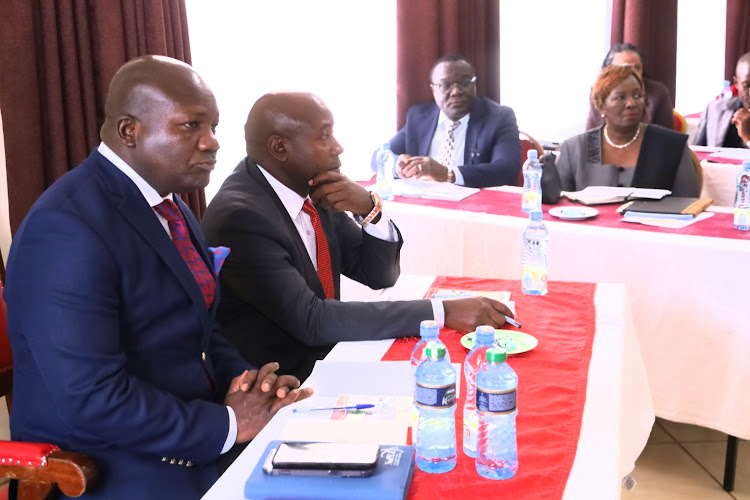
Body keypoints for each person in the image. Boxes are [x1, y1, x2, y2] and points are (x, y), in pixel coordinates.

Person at [3, 56, 311, 500]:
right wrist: (228, 424)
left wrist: (251, 386)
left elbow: (202, 329)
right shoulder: (67, 228)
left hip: (189, 430)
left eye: (214, 126)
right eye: (191, 126)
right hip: (104, 464)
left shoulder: (171, 206)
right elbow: (93, 401)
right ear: (131, 131)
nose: (212, 144)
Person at [201, 92, 514, 381]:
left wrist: (369, 208)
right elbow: (313, 321)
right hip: (279, 382)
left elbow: (378, 275)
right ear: (280, 148)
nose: (338, 147)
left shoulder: (312, 188)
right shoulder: (242, 218)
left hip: (328, 359)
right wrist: (441, 312)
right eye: (324, 136)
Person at [545, 64, 699, 197]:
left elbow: (688, 206)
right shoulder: (575, 149)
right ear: (601, 106)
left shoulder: (671, 146)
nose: (631, 103)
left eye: (638, 95)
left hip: (655, 230)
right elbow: (562, 207)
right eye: (620, 97)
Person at [373, 54, 521, 188]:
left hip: (473, 209)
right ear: (433, 90)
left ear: (474, 84)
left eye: (464, 83)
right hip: (425, 203)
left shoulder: (498, 117)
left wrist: (447, 174)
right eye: (445, 85)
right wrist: (397, 166)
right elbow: (377, 157)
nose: (456, 92)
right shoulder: (419, 118)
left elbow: (506, 170)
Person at [585, 43, 674, 131]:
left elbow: (668, 138)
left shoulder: (657, 92)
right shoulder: (599, 93)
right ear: (608, 70)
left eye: (637, 68)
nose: (632, 73)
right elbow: (590, 137)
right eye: (624, 68)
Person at [694, 51, 750, 148]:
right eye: (746, 85)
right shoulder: (715, 109)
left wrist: (748, 139)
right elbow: (695, 155)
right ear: (736, 83)